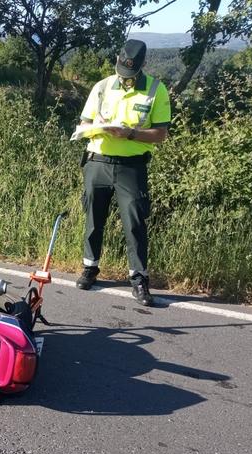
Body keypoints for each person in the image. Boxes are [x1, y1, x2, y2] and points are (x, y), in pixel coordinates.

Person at [75, 39, 171, 306]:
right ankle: (90, 268)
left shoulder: (156, 89)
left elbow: (160, 134)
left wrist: (129, 132)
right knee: (93, 218)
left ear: (142, 66)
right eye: (121, 69)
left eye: (130, 72)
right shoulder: (102, 86)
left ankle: (139, 279)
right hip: (98, 162)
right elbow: (84, 121)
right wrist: (96, 127)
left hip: (132, 166)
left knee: (135, 223)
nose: (124, 76)